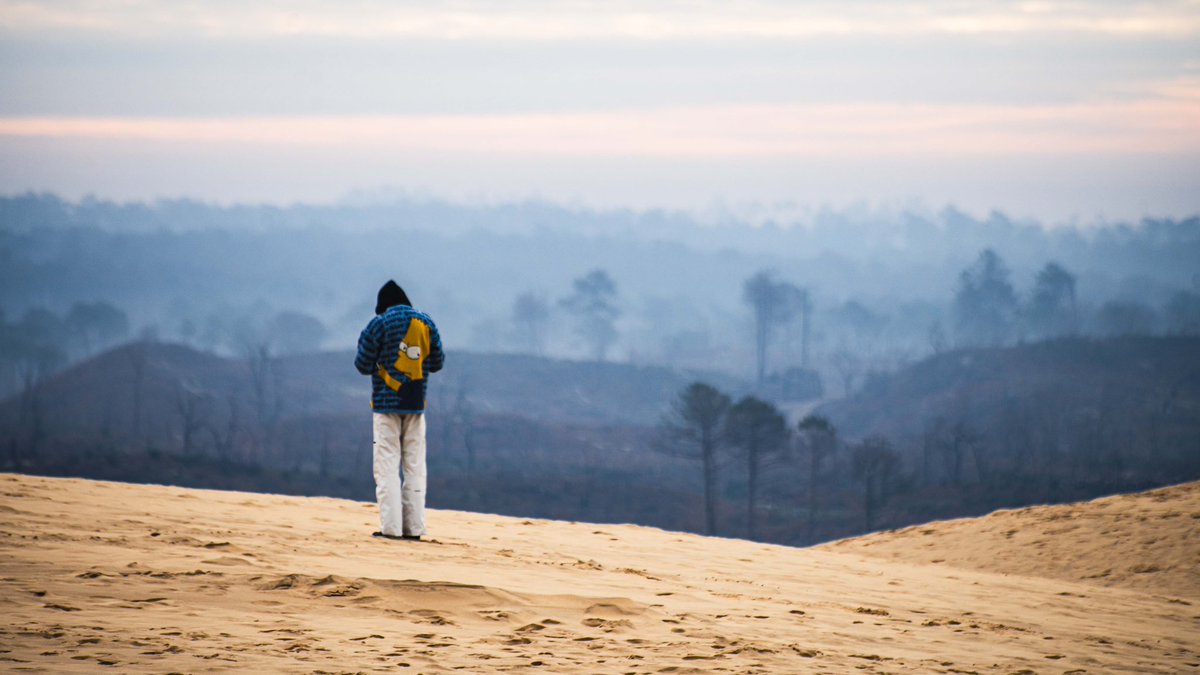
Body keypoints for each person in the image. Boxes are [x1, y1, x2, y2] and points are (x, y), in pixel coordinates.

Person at [354, 280, 445, 541]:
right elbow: (437, 362)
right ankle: (415, 529)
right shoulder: (426, 322)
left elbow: (361, 364)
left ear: (383, 304)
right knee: (415, 466)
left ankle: (391, 529)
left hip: (385, 406)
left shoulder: (378, 323)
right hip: (416, 405)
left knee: (386, 466)